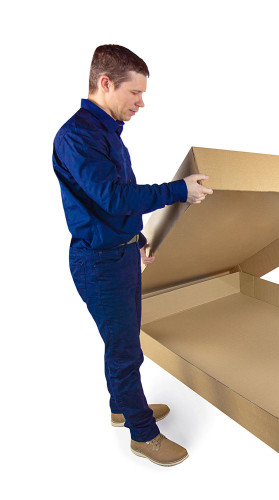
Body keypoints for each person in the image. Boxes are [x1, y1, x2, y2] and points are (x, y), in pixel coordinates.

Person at [52, 44, 213, 467]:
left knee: (123, 344)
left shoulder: (107, 132)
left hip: (119, 256)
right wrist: (177, 191)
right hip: (99, 264)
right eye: (135, 92)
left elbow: (109, 204)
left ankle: (122, 408)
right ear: (105, 83)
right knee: (124, 351)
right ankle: (142, 435)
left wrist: (136, 239)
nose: (141, 102)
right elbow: (113, 196)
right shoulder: (77, 136)